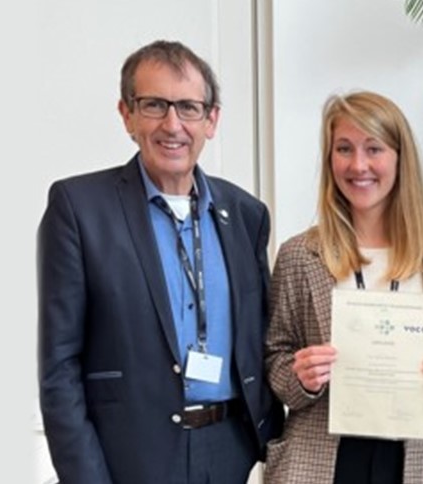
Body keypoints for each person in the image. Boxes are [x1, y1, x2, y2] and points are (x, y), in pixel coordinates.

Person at [37, 40, 284, 484]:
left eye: (188, 107)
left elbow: (262, 339)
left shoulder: (246, 214)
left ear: (212, 120)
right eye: (154, 105)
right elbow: (59, 369)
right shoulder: (78, 208)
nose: (173, 124)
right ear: (126, 114)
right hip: (128, 457)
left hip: (229, 451)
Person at [262, 91, 423, 484]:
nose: (358, 165)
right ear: (330, 161)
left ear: (399, 158)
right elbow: (276, 354)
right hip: (321, 456)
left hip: (415, 457)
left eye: (373, 148)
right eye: (343, 149)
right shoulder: (299, 255)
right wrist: (301, 377)